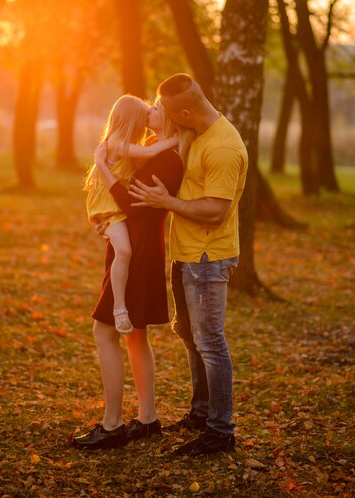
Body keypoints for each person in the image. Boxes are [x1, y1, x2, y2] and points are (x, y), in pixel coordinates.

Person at [129, 73, 248, 456]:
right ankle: (201, 412)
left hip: (208, 257)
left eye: (165, 111)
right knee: (189, 333)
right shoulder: (193, 132)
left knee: (210, 341)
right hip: (186, 254)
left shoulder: (224, 147)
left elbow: (215, 211)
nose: (160, 115)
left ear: (183, 111)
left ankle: (220, 430)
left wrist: (167, 203)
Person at [73, 98, 192, 451]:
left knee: (105, 330)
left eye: (155, 107)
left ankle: (113, 425)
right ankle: (148, 418)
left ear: (167, 119)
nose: (149, 111)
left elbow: (126, 202)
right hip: (136, 246)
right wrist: (105, 220)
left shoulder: (165, 159)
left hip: (138, 251)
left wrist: (101, 168)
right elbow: (122, 202)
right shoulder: (152, 152)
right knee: (135, 336)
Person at [84, 94, 178, 334]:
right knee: (124, 250)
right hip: (108, 207)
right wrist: (175, 140)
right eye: (145, 114)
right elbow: (149, 154)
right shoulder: (118, 144)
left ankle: (119, 308)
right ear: (132, 121)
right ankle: (119, 308)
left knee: (124, 251)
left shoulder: (135, 146)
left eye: (152, 111)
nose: (148, 117)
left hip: (116, 210)